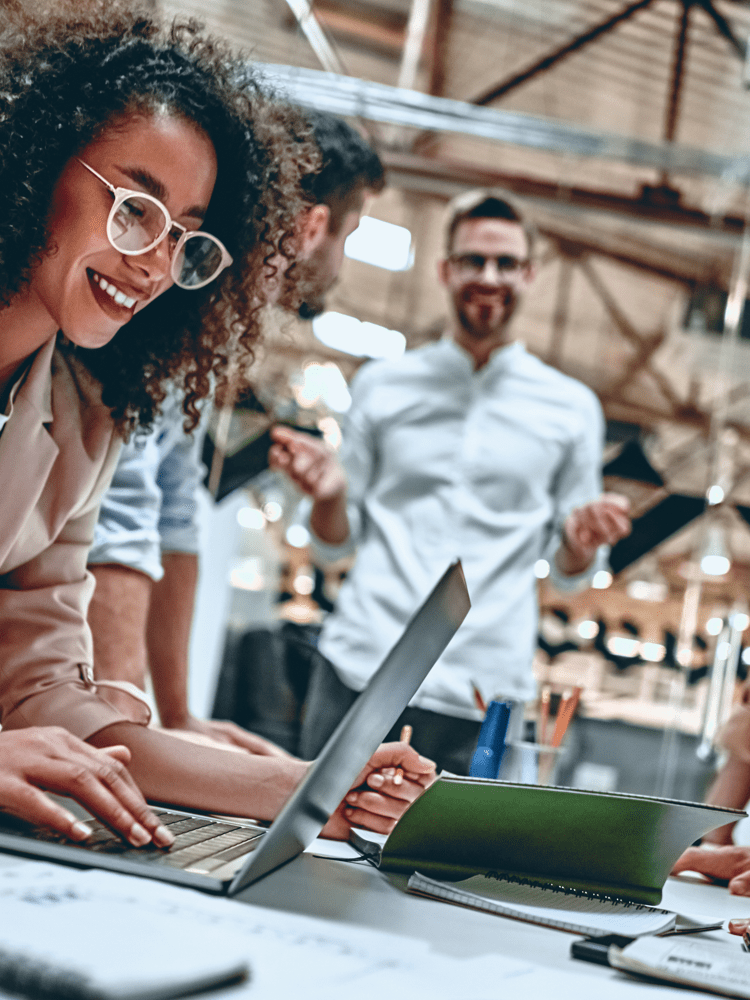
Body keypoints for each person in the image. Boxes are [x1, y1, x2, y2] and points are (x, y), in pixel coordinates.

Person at [0, 1, 432, 841]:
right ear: (34, 166)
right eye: (135, 208)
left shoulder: (83, 420)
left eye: (187, 237)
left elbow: (45, 698)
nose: (155, 263)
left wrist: (307, 786)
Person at [271, 190, 631, 772]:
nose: (489, 277)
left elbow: (570, 577)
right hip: (362, 668)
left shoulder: (573, 409)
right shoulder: (384, 385)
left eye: (506, 263)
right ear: (445, 270)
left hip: (483, 690)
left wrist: (580, 541)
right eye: (473, 261)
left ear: (530, 274)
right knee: (316, 847)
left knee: (451, 864)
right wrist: (331, 496)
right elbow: (334, 541)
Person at [86, 110, 385, 751]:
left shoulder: (213, 329)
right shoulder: (175, 298)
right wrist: (127, 729)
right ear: (312, 226)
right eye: (350, 234)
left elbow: (172, 513)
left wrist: (175, 714)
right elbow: (124, 509)